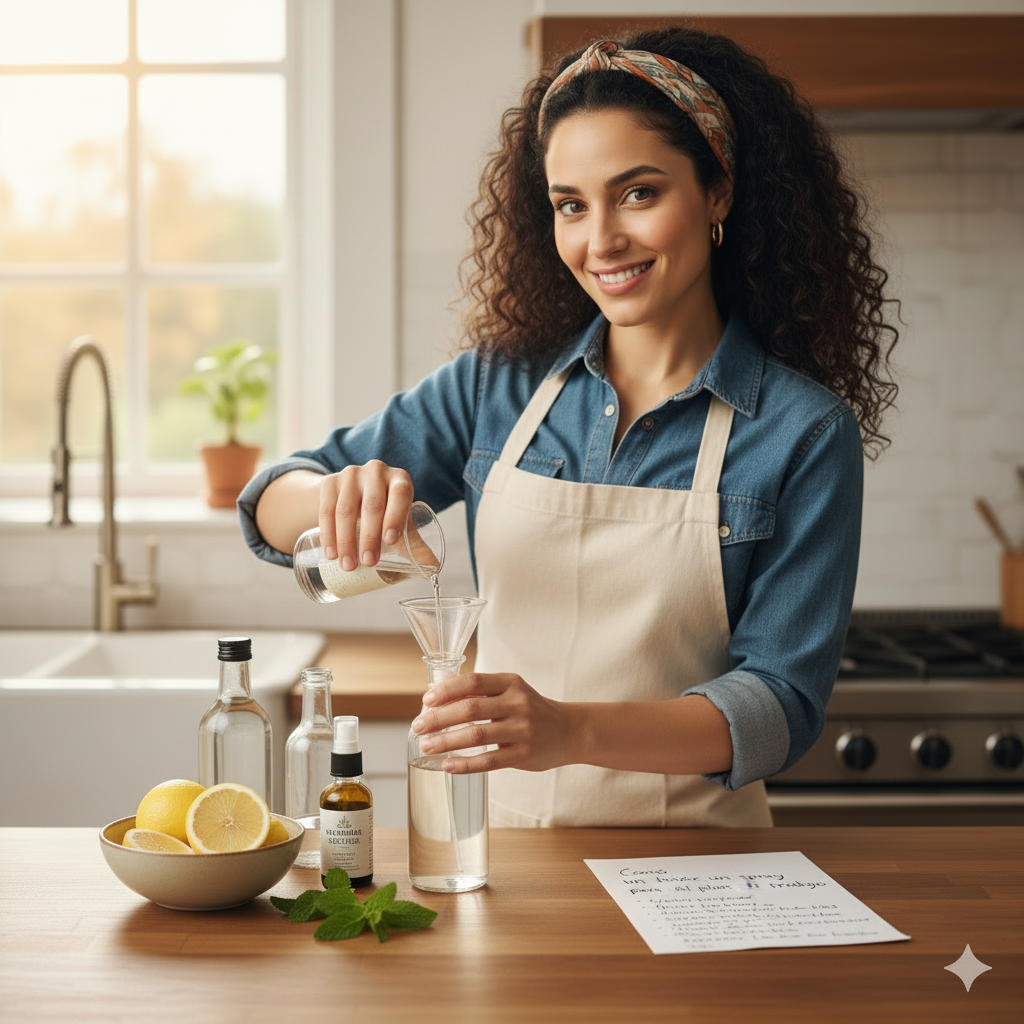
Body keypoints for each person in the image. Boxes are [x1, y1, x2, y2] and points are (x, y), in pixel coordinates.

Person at [239, 27, 898, 828]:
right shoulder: (498, 385)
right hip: (494, 848)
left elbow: (779, 706)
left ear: (719, 193)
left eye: (639, 193)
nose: (601, 241)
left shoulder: (802, 431)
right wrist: (338, 496)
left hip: (696, 858)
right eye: (571, 206)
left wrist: (570, 730)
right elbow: (269, 503)